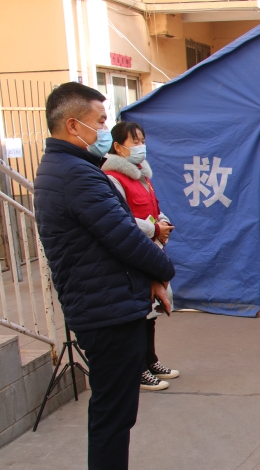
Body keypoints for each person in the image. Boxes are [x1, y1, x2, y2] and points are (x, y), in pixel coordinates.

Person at [34, 82, 175, 470]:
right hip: (105, 310)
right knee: (113, 412)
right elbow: (123, 237)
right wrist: (163, 270)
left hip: (106, 301)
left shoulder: (68, 168)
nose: (104, 130)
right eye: (99, 122)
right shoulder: (76, 176)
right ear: (72, 124)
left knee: (116, 409)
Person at [103, 121, 179, 392]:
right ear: (118, 146)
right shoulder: (113, 178)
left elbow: (154, 209)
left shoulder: (142, 176)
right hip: (133, 252)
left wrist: (163, 223)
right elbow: (121, 219)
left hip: (150, 249)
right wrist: (153, 229)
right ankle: (138, 369)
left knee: (151, 310)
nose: (140, 146)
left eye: (142, 141)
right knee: (138, 312)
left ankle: (150, 360)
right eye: (134, 141)